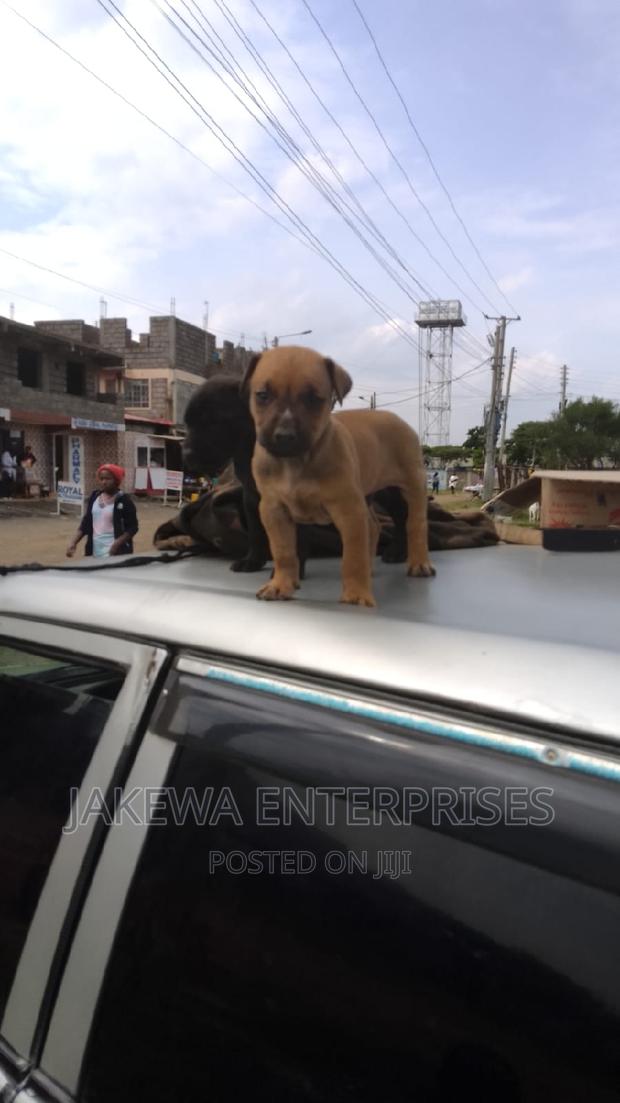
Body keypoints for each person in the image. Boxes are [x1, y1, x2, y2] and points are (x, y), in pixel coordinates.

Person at [66, 464, 138, 559]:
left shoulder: (125, 501)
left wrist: (117, 543)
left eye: (108, 479)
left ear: (117, 481)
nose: (104, 482)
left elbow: (133, 528)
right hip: (95, 550)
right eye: (101, 478)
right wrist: (74, 542)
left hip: (115, 552)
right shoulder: (94, 497)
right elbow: (86, 522)